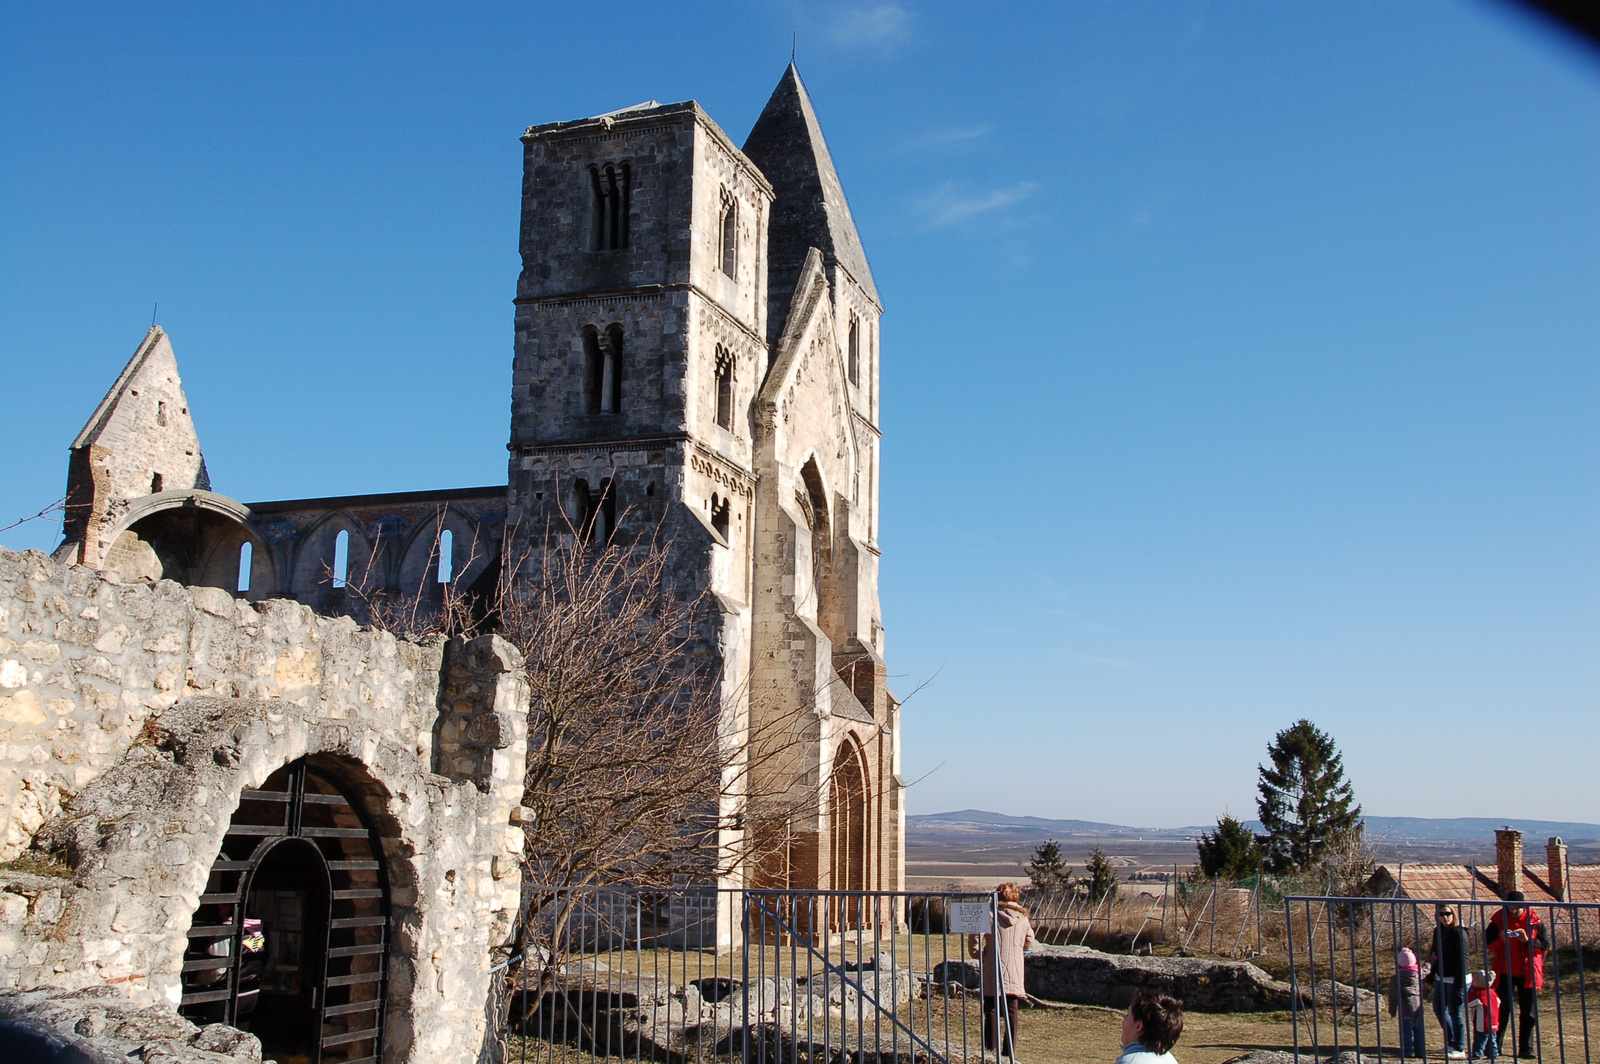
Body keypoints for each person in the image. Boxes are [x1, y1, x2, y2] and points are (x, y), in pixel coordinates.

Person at [967, 882, 1035, 1056]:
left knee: (991, 1007)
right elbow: (1029, 941)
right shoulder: (1023, 918)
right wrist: (1021, 952)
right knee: (1012, 1008)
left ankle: (990, 1049)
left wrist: (979, 954)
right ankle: (1009, 1050)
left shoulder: (989, 914)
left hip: (993, 965)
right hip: (1014, 967)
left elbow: (975, 936)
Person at [1485, 892, 1550, 1059]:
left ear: (1524, 907)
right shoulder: (1498, 920)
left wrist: (1528, 940)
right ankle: (1494, 1047)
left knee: (1529, 1012)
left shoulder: (1535, 921)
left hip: (1528, 972)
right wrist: (1501, 939)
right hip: (1504, 971)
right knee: (1501, 1010)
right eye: (1510, 908)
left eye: (1517, 908)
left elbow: (1544, 947)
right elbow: (1488, 945)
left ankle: (1526, 1049)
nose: (1513, 911)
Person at [1430, 904, 1470, 1059]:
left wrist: (1459, 985)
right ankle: (1451, 1041)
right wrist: (1431, 972)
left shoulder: (1459, 933)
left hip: (1457, 978)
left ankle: (1460, 1048)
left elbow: (1464, 959)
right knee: (1439, 1008)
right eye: (1441, 914)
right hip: (1442, 976)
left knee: (1456, 1012)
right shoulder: (1438, 932)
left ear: (1454, 915)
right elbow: (1435, 953)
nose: (1445, 917)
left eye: (1448, 914)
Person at [1115, 988, 1186, 1064]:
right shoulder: (1170, 1060)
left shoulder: (1129, 1061)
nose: (1124, 1019)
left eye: (1128, 1015)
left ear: (1138, 1026)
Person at [1390, 947, 1428, 1059]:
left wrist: (1392, 1009)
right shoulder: (1417, 975)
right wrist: (1432, 958)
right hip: (1418, 1007)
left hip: (1405, 1007)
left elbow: (1393, 995)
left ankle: (1407, 1051)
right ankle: (1420, 1051)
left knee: (1406, 1030)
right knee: (1419, 1029)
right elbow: (1426, 970)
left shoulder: (1397, 978)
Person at [1467, 970, 1500, 1061]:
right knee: (1492, 1039)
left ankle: (1477, 1054)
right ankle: (1493, 1053)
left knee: (1480, 1039)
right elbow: (1498, 1002)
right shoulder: (1492, 993)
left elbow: (1468, 1003)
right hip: (1494, 1021)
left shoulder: (1478, 994)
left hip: (1482, 1023)